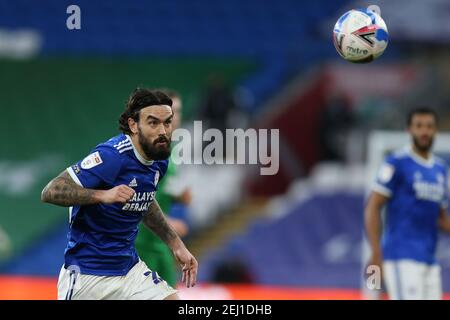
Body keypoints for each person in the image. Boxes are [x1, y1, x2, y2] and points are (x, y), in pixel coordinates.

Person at [41, 88, 198, 300]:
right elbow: (51, 191)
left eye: (167, 122)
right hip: (88, 274)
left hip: (129, 269)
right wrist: (102, 196)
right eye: (153, 123)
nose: (163, 131)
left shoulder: (159, 159)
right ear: (134, 125)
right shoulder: (111, 156)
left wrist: (176, 244)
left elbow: (145, 201)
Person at [365, 107, 450, 300]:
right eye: (419, 126)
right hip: (401, 255)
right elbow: (373, 206)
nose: (424, 131)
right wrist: (376, 253)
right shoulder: (397, 162)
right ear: (409, 130)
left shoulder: (440, 169)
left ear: (435, 130)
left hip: (429, 259)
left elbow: (441, 219)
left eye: (429, 126)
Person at [135, 89, 191, 288]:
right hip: (140, 243)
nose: (174, 118)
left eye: (178, 112)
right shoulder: (147, 150)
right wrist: (168, 222)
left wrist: (178, 194)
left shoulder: (171, 152)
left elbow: (166, 190)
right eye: (170, 113)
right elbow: (134, 194)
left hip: (160, 244)